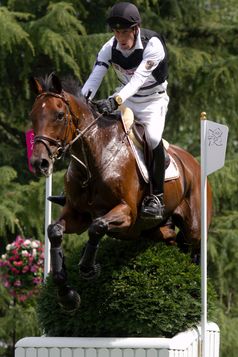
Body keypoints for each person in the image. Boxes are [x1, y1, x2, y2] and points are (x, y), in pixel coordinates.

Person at [50, 2, 169, 221]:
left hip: (152, 101)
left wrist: (115, 101)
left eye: (124, 31)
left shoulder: (153, 44)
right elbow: (94, 78)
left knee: (152, 138)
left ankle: (157, 197)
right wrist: (78, 103)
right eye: (116, 31)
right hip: (126, 100)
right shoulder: (109, 48)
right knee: (90, 132)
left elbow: (137, 80)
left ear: (135, 29)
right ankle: (73, 189)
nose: (120, 37)